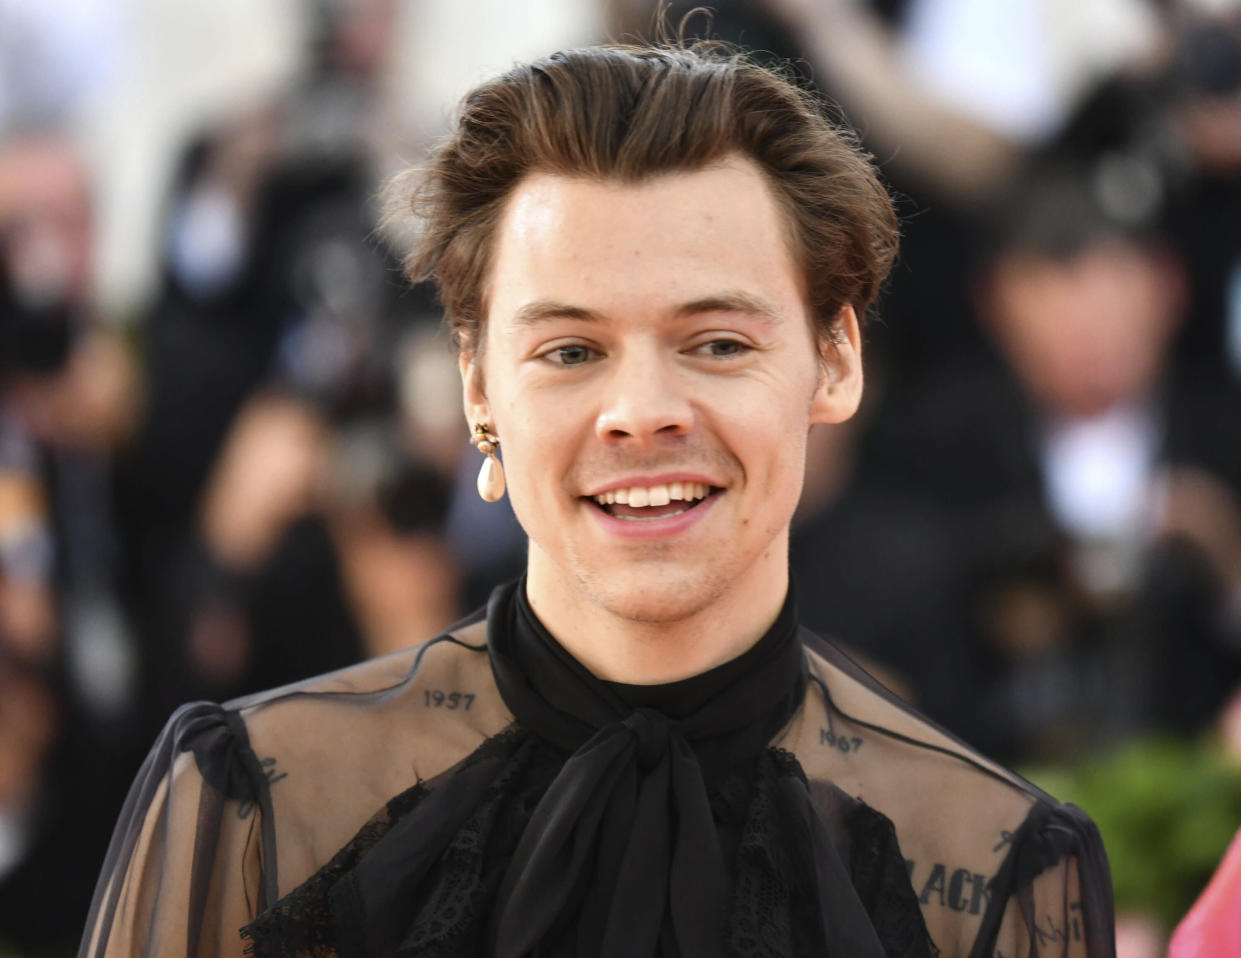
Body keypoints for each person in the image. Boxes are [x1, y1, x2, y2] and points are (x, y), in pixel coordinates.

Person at [80, 42, 1115, 958]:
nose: (640, 413)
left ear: (833, 359)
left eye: (715, 343)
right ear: (479, 388)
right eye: (569, 350)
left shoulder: (989, 871)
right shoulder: (256, 802)